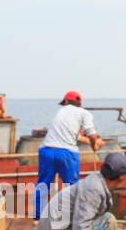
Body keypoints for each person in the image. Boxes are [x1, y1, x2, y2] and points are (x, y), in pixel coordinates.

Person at [34, 91, 102, 219]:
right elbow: (91, 134)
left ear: (65, 102)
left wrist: (93, 141)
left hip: (47, 150)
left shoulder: (61, 112)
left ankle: (38, 218)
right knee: (72, 187)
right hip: (67, 153)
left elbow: (75, 134)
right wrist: (94, 145)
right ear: (80, 103)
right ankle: (71, 218)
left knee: (43, 184)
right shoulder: (84, 113)